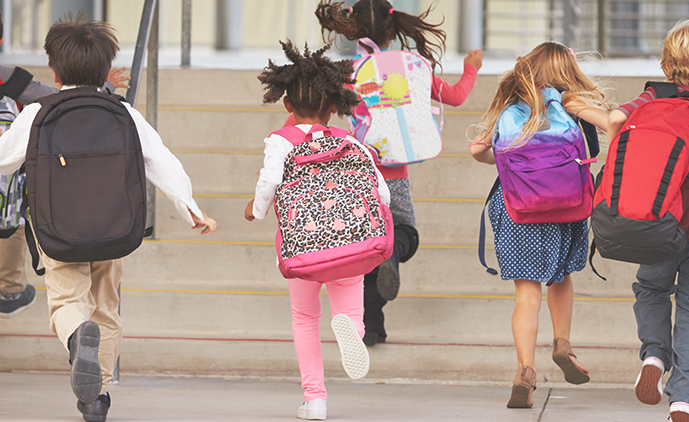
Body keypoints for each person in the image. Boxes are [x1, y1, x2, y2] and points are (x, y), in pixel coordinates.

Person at [0, 15, 215, 422]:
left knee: (68, 301)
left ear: (54, 72)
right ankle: (98, 396)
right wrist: (190, 207)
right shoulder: (123, 112)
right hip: (112, 228)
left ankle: (76, 335)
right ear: (107, 71)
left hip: (57, 230)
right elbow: (162, 161)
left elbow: (1, 163)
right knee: (106, 307)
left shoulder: (38, 111)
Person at [315, 0, 483, 346]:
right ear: (394, 31)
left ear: (352, 29)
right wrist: (471, 69)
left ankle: (371, 327)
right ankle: (393, 251)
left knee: (364, 248)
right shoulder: (412, 67)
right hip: (396, 175)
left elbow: (318, 112)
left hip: (358, 174)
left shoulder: (348, 72)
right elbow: (455, 96)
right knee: (404, 233)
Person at [244, 40, 390, 421]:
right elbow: (383, 195)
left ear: (287, 105)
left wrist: (256, 211)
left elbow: (270, 181)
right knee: (349, 308)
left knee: (305, 318)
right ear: (333, 106)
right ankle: (353, 331)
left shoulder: (281, 140)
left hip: (304, 248)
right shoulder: (350, 141)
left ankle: (315, 400)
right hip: (351, 246)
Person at [469, 41, 610, 408]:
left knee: (526, 294)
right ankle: (562, 345)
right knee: (561, 276)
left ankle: (525, 371)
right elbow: (609, 128)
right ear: (567, 72)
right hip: (566, 204)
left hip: (519, 207)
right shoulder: (570, 103)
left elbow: (478, 151)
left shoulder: (511, 104)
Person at [0, 1, 128, 319]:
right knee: (19, 197)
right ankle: (11, 288)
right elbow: (67, 98)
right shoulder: (11, 79)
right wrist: (108, 87)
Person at [607, 20, 689, 422]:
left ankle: (655, 356)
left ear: (668, 60)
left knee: (652, 289)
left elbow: (615, 120)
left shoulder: (652, 97)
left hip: (660, 219)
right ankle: (683, 400)